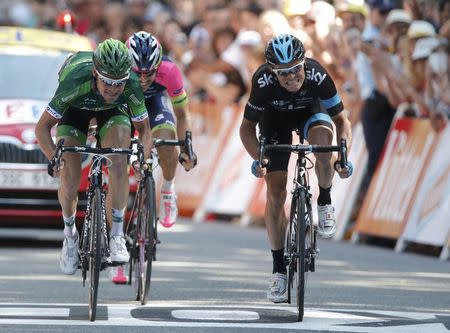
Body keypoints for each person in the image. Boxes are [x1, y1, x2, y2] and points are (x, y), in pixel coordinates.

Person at [239, 34, 353, 303]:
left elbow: (341, 120)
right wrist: (260, 158)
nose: (291, 78)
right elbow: (245, 129)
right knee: (276, 192)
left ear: (304, 63)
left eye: (295, 70)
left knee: (324, 142)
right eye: (283, 73)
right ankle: (278, 269)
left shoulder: (317, 74)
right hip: (274, 121)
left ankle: (324, 200)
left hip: (309, 113)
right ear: (272, 72)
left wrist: (343, 155)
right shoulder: (262, 82)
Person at [35, 38, 152, 275]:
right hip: (75, 111)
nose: (112, 88)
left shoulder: (130, 85)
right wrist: (53, 158)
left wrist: (141, 159)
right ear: (95, 73)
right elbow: (42, 128)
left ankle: (117, 235)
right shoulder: (76, 79)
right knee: (69, 180)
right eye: (107, 81)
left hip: (112, 113)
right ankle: (70, 237)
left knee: (120, 159)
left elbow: (146, 132)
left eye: (118, 83)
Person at [126, 31, 197, 229]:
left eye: (149, 73)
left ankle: (168, 189)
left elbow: (182, 114)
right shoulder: (119, 71)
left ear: (158, 66)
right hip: (127, 105)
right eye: (137, 72)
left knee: (167, 138)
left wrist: (186, 147)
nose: (142, 79)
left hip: (155, 103)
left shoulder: (169, 70)